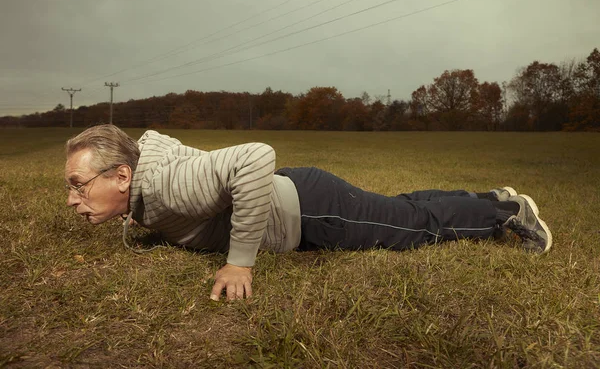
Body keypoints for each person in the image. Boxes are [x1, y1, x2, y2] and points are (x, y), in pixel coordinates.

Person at [64, 125, 552, 301]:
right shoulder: (152, 186)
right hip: (302, 192)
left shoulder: (167, 186)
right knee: (399, 208)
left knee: (411, 228)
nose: (72, 199)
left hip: (314, 213)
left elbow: (253, 156)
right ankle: (486, 198)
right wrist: (140, 214)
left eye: (78, 186)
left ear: (122, 176)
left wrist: (240, 260)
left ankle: (507, 213)